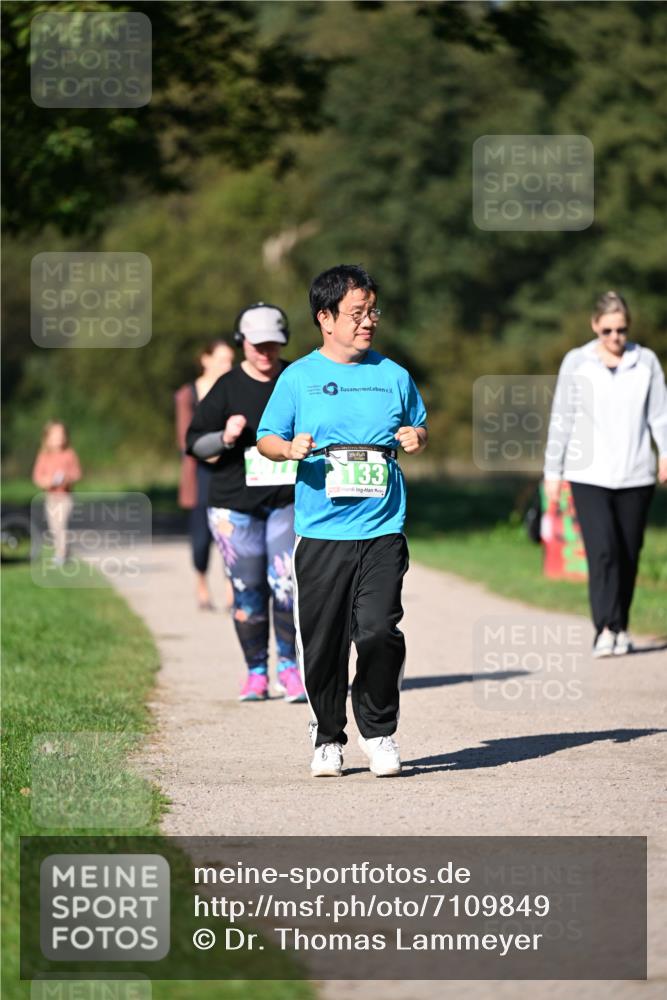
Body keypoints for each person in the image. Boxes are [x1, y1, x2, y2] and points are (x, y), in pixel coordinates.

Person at [257, 264, 428, 778]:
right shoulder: (298, 377)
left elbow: (418, 426)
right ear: (325, 318)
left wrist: (417, 438)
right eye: (357, 313)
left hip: (382, 528)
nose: (368, 321)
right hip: (321, 533)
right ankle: (328, 737)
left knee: (378, 631)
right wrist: (288, 448)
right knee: (323, 643)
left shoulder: (393, 375)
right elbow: (266, 438)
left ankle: (379, 733)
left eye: (372, 311)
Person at [186, 304, 306, 704]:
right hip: (234, 506)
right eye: (257, 344)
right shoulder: (226, 387)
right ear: (242, 343)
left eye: (273, 343)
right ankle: (256, 672)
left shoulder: (297, 378)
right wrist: (224, 437)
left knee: (286, 585)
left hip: (287, 501)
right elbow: (195, 445)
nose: (266, 351)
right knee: (248, 590)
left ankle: (289, 669)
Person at [544, 290, 667, 657]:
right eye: (608, 330)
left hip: (636, 473)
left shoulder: (645, 362)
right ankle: (604, 628)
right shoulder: (577, 362)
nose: (615, 337)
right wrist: (552, 472)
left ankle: (621, 626)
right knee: (602, 551)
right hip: (589, 474)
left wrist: (665, 453)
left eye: (622, 330)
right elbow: (562, 418)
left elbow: (659, 415)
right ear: (595, 325)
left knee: (628, 553)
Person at [175, 339, 235, 610]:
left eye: (230, 360)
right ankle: (201, 581)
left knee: (231, 532)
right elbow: (185, 438)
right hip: (199, 474)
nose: (228, 366)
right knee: (201, 538)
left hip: (229, 471)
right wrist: (212, 451)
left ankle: (230, 588)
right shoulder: (187, 394)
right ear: (205, 359)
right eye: (222, 360)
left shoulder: (234, 390)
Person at [32, 420, 82, 566]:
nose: (59, 438)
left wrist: (67, 478)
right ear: (47, 438)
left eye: (61, 435)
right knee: (54, 527)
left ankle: (61, 554)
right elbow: (37, 477)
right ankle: (62, 551)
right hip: (50, 497)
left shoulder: (69, 454)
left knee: (61, 525)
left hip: (65, 497)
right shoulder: (44, 456)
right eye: (55, 435)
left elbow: (77, 473)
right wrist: (48, 481)